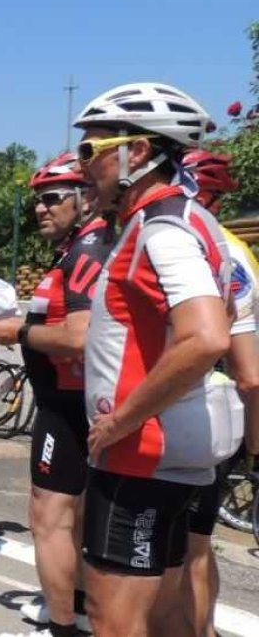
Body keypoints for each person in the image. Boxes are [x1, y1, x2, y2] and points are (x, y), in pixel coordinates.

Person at [74, 82, 232, 637]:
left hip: (140, 453)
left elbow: (206, 338)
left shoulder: (161, 228)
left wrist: (121, 419)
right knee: (166, 614)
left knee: (112, 618)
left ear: (136, 151)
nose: (82, 166)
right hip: (174, 447)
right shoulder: (195, 221)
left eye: (91, 151)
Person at [0, 154, 111, 637]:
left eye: (53, 198)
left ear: (87, 198)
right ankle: (72, 606)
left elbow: (80, 337)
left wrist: (20, 333)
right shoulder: (76, 249)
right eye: (37, 200)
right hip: (65, 400)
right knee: (67, 517)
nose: (41, 209)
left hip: (69, 403)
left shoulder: (87, 253)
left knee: (49, 518)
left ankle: (62, 628)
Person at [176, 150, 259, 637]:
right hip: (212, 413)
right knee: (194, 545)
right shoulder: (228, 246)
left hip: (196, 415)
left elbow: (249, 372)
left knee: (186, 549)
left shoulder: (209, 247)